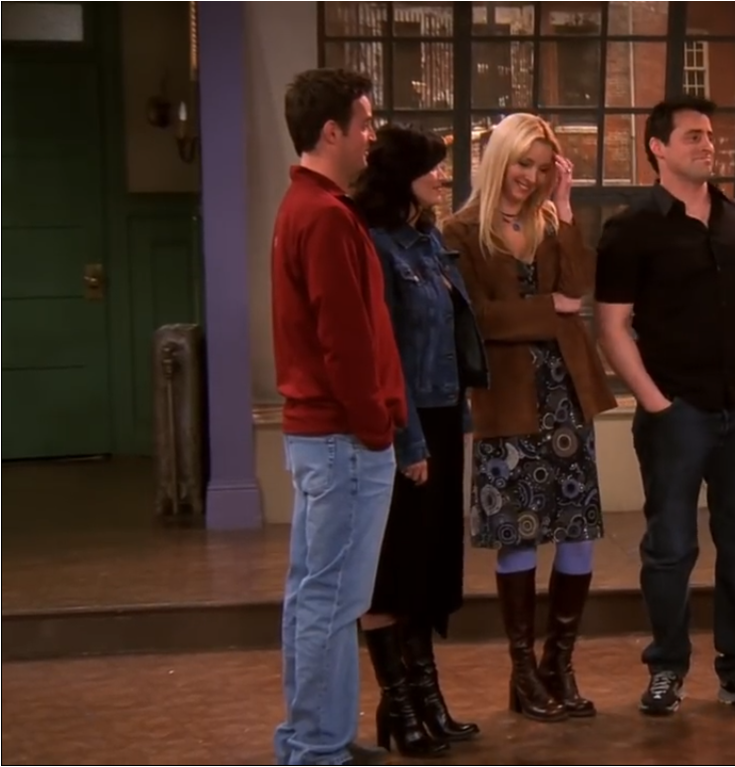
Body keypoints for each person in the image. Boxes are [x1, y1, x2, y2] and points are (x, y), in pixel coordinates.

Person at [595, 96, 735, 718]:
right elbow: (612, 325)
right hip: (676, 412)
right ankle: (667, 667)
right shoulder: (631, 229)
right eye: (692, 136)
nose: (708, 144)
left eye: (709, 135)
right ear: (658, 147)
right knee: (671, 547)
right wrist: (655, 401)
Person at [441, 113, 617, 724]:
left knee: (576, 529)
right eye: (523, 163)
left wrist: (565, 209)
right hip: (509, 400)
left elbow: (578, 286)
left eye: (543, 168)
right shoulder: (460, 231)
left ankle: (557, 665)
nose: (531, 176)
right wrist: (549, 309)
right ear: (500, 159)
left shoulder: (547, 221)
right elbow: (478, 317)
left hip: (567, 397)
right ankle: (522, 674)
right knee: (517, 532)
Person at [269, 67, 403, 767]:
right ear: (331, 132)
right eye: (364, 122)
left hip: (323, 436)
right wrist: (376, 427)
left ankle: (312, 737)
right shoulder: (322, 215)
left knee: (314, 594)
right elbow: (344, 340)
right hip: (342, 438)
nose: (371, 135)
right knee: (332, 598)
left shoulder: (307, 206)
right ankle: (318, 750)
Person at [352, 123, 489, 757]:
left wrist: (456, 417)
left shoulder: (429, 240)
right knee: (392, 570)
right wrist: (408, 443)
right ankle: (398, 702)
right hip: (401, 425)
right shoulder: (376, 245)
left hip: (440, 415)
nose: (442, 176)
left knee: (429, 569)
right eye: (431, 167)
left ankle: (427, 695)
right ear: (401, 174)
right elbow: (383, 356)